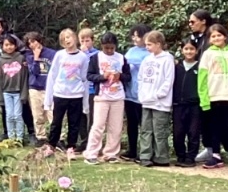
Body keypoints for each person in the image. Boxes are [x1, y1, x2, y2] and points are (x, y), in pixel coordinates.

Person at [197, 22, 228, 171]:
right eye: (213, 36)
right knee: (214, 127)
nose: (217, 38)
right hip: (214, 96)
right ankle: (216, 156)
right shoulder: (207, 54)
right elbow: (202, 79)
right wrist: (204, 99)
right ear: (209, 39)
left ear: (225, 36)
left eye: (219, 35)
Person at [82, 32, 131, 163]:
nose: (109, 50)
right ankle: (91, 153)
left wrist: (120, 76)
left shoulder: (121, 58)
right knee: (98, 126)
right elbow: (89, 76)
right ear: (102, 46)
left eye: (112, 48)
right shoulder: (96, 58)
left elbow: (128, 77)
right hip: (101, 96)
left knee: (116, 127)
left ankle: (111, 153)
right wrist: (102, 77)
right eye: (106, 48)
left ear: (116, 46)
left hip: (118, 97)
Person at [43, 29, 90, 158]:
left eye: (68, 37)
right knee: (56, 122)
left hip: (76, 95)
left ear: (74, 38)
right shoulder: (59, 55)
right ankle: (51, 146)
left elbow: (84, 79)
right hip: (60, 94)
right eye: (64, 39)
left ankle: (71, 148)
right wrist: (48, 100)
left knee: (74, 123)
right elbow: (52, 76)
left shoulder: (83, 57)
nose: (67, 40)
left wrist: (85, 103)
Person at [136, 30, 176, 167]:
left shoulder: (167, 59)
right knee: (146, 130)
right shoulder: (147, 60)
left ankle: (161, 157)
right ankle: (145, 155)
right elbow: (140, 78)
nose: (147, 47)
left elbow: (168, 80)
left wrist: (158, 94)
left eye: (149, 44)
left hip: (160, 102)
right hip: (146, 101)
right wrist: (142, 94)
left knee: (160, 130)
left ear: (158, 44)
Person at [172, 38, 203, 167]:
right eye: (186, 49)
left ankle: (191, 157)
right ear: (182, 50)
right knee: (178, 132)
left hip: (195, 105)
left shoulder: (200, 66)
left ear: (196, 50)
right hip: (178, 105)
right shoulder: (176, 66)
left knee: (193, 132)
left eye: (192, 49)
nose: (189, 51)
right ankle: (180, 156)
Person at [123, 25, 151, 162]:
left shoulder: (150, 52)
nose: (135, 38)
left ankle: (145, 152)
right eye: (133, 35)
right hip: (129, 94)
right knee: (131, 124)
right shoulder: (130, 51)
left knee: (144, 125)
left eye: (138, 36)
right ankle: (132, 150)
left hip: (143, 95)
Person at [0, 33, 28, 144]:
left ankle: (19, 138)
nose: (9, 47)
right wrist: (0, 95)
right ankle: (11, 138)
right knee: (9, 116)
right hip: (6, 92)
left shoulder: (21, 58)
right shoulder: (1, 60)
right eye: (6, 45)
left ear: (15, 46)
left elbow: (24, 77)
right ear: (3, 46)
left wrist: (24, 94)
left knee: (18, 115)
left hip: (18, 92)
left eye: (11, 45)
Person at [25, 31, 53, 143]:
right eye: (29, 43)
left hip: (49, 88)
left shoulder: (52, 53)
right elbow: (34, 72)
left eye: (33, 41)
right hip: (35, 88)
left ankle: (58, 138)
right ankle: (41, 137)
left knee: (52, 114)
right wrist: (36, 58)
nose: (32, 45)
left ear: (39, 40)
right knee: (38, 115)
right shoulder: (29, 56)